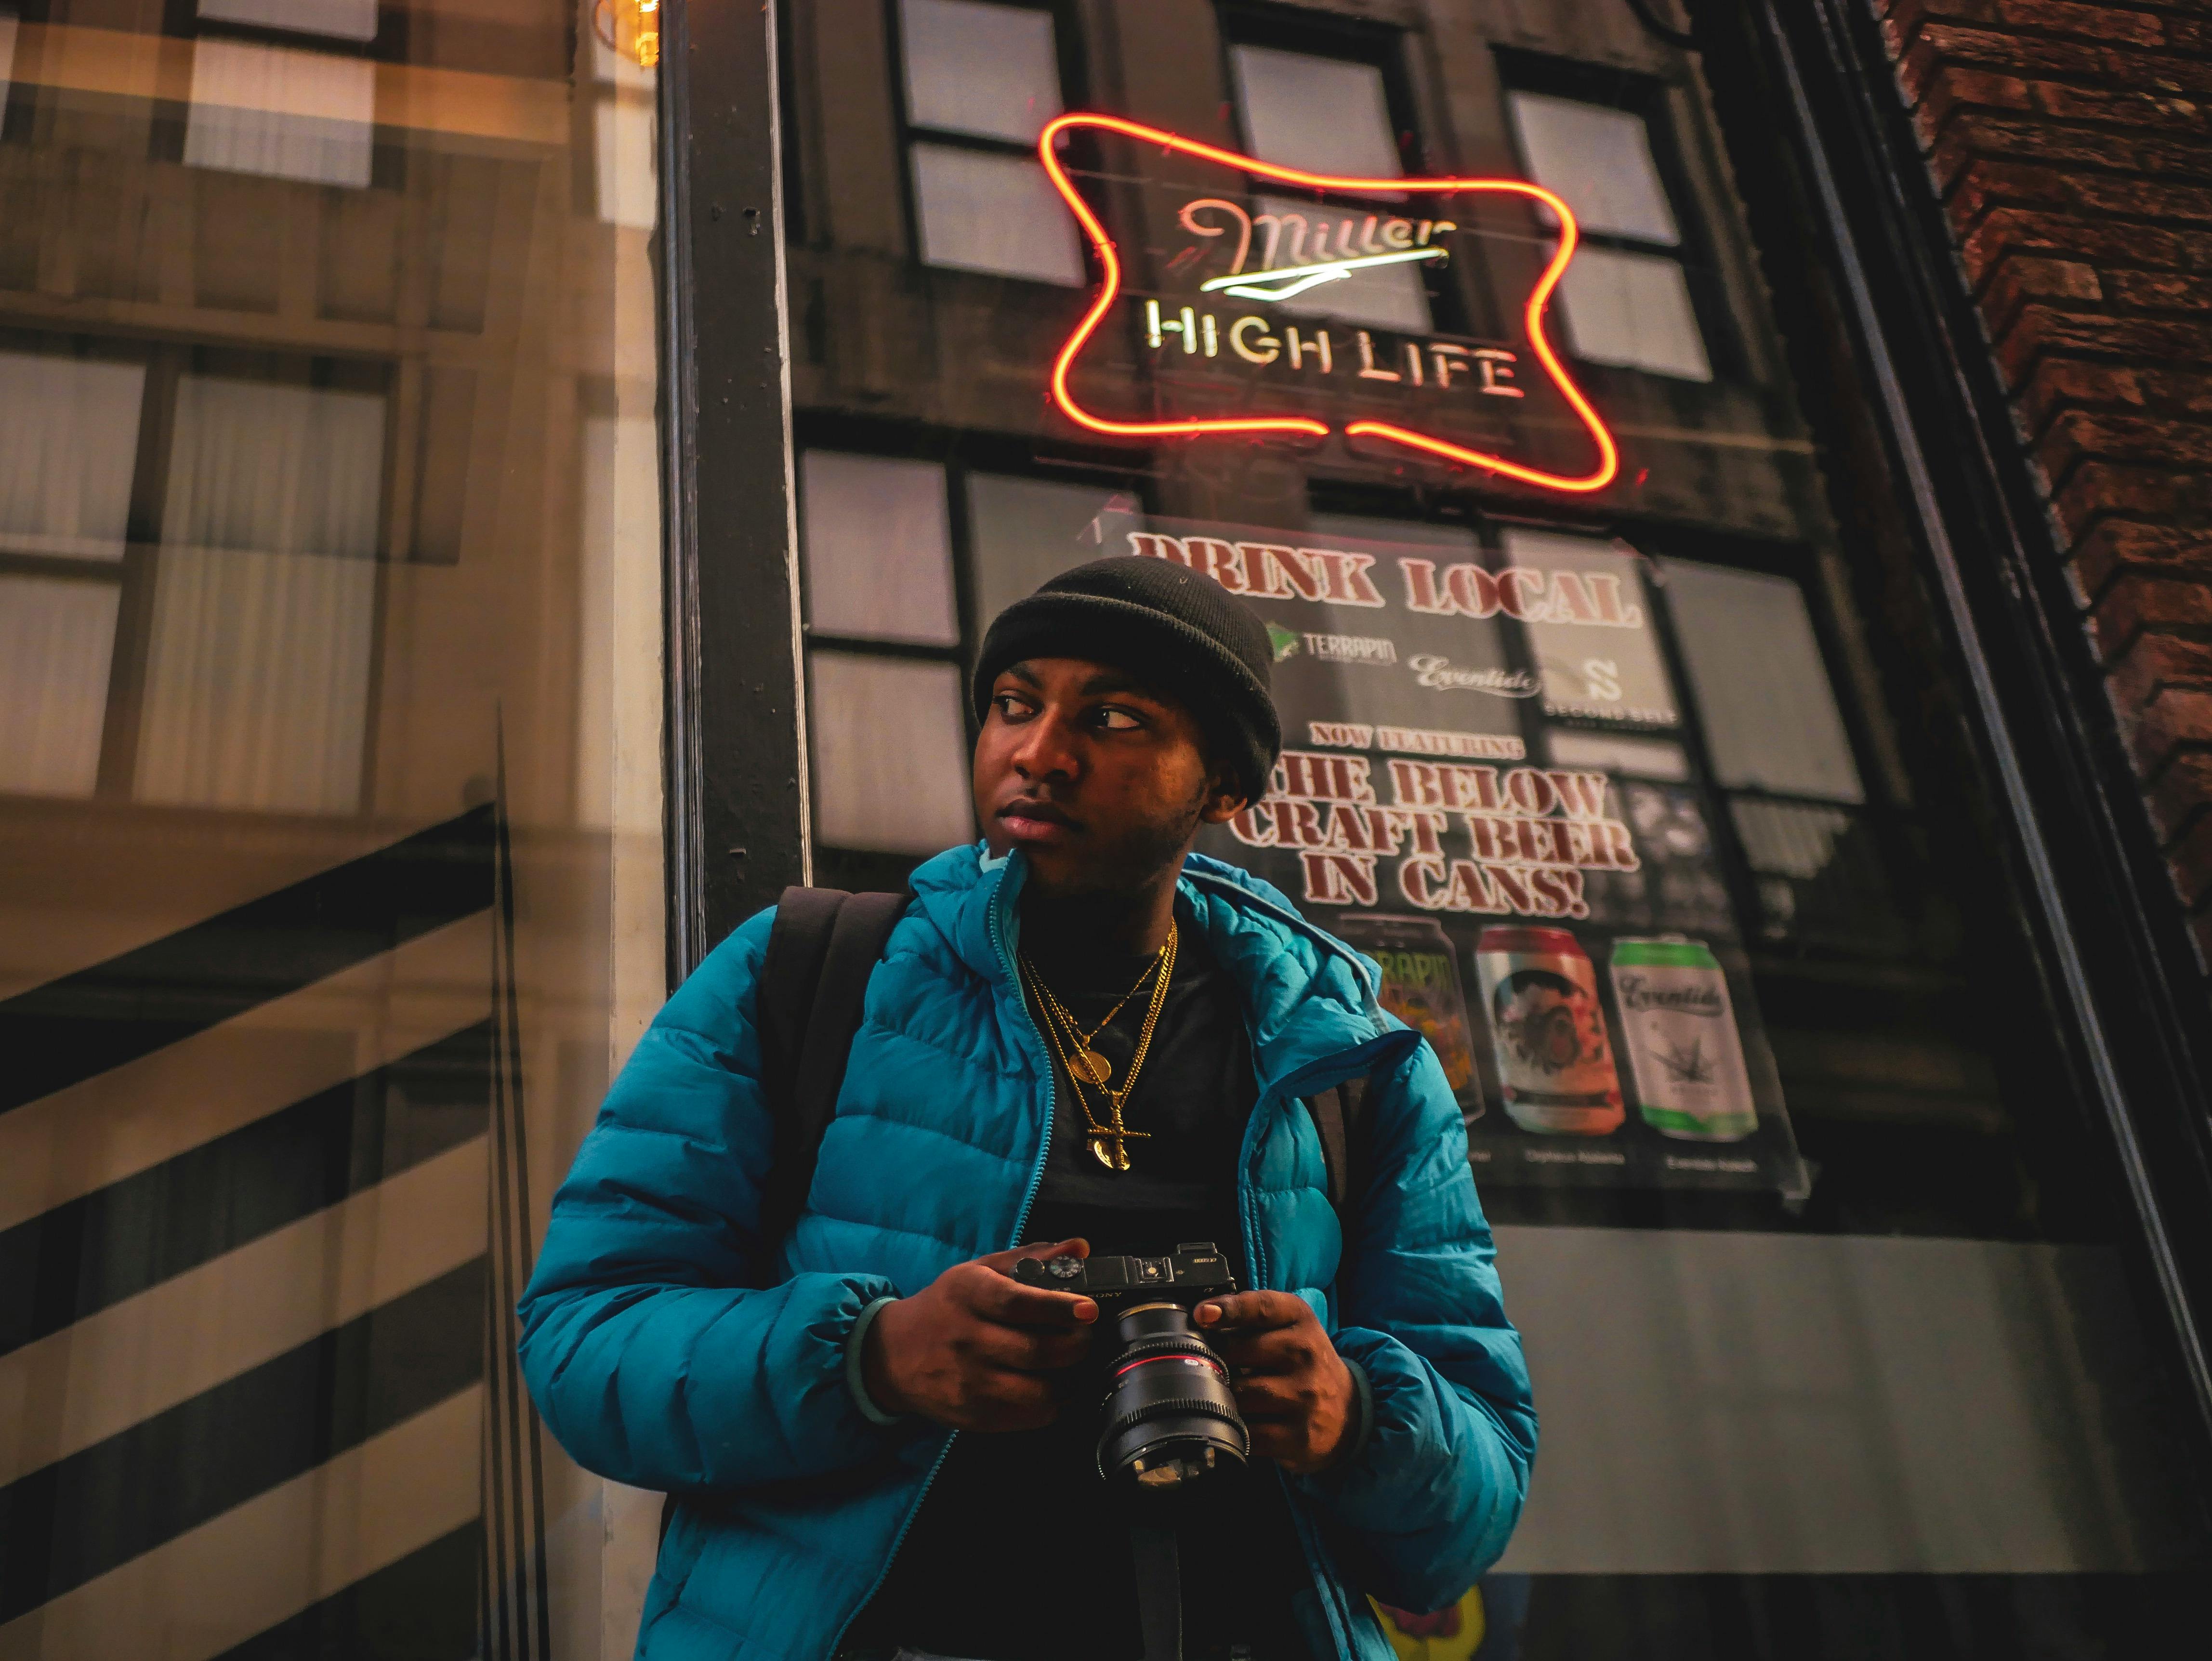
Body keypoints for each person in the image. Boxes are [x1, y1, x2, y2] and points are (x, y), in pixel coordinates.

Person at [518, 555, 1537, 1661]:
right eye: (1015, 704)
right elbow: (583, 1345)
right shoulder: (808, 975)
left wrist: (1354, 1421)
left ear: (1224, 791)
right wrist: (876, 1355)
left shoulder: (1350, 1060)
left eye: (1113, 717)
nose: (1037, 752)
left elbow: (1467, 1515)